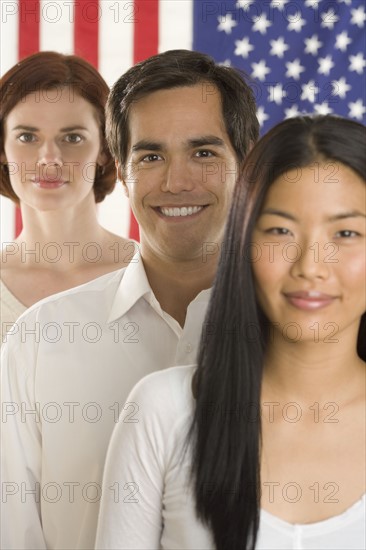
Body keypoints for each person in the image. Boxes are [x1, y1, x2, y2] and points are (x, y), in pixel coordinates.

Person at [0, 49, 259, 549]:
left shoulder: (306, 336)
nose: (177, 181)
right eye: (151, 156)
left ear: (246, 162)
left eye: (203, 152)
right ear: (120, 172)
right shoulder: (37, 341)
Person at [95, 115, 366, 550]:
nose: (310, 266)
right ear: (243, 241)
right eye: (280, 230)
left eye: (346, 232)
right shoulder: (163, 410)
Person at [0, 51, 135, 345]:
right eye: (27, 137)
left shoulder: (156, 276)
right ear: (2, 148)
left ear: (104, 149)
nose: (49, 160)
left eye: (72, 138)